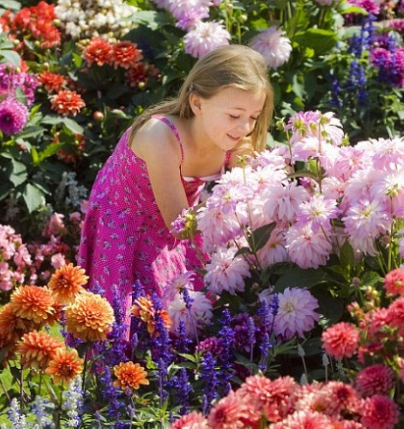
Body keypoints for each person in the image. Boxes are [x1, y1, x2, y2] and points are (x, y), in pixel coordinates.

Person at [77, 44, 274, 319]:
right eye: (234, 115)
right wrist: (228, 218)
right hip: (127, 224)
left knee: (190, 318)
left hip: (182, 222)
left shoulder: (233, 139)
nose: (244, 127)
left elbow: (249, 194)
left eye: (253, 117)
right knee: (125, 320)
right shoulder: (161, 136)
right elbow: (180, 224)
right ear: (197, 103)